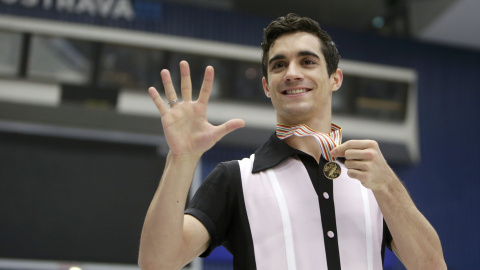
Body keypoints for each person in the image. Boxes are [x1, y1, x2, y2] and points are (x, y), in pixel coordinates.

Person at [138, 13, 446, 270]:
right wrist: (181, 158)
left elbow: (432, 266)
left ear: (335, 79)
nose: (292, 73)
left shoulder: (372, 179)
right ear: (266, 86)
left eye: (308, 62)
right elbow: (156, 263)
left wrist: (388, 186)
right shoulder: (236, 179)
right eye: (278, 65)